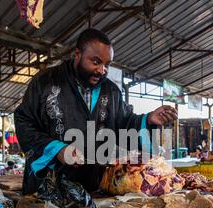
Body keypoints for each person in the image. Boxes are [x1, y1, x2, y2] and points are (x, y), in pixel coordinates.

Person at [14, 28, 178, 194]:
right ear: (77, 54)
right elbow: (24, 122)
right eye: (95, 62)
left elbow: (125, 124)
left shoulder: (112, 91)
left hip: (93, 190)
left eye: (107, 65)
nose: (102, 70)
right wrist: (57, 149)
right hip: (47, 189)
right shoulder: (45, 82)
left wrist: (148, 119)